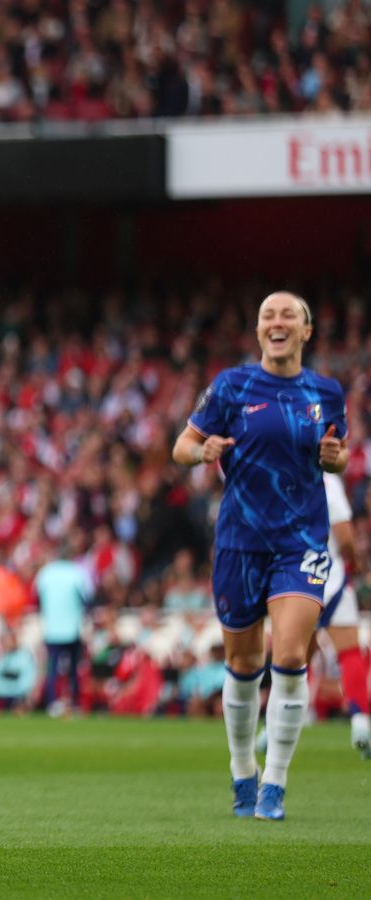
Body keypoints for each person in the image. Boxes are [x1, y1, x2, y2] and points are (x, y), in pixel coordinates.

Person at [172, 290, 348, 821]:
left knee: (291, 656)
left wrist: (334, 459)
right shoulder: (232, 385)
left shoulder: (326, 392)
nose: (277, 321)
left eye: (287, 314)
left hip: (301, 541)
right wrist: (201, 451)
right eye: (268, 315)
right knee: (243, 663)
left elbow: (334, 460)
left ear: (305, 330)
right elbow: (181, 446)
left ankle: (275, 781)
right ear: (258, 332)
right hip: (240, 542)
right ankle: (242, 767)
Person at [316, 471, 368, 756]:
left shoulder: (284, 472)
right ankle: (360, 720)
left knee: (292, 661)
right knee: (349, 651)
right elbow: (344, 535)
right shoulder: (327, 481)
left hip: (293, 577)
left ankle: (272, 733)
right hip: (330, 575)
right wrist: (355, 562)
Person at [35, 536, 95, 716]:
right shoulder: (78, 572)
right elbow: (88, 598)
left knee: (53, 667)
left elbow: (37, 597)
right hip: (72, 628)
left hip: (52, 628)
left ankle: (53, 703)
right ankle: (74, 703)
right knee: (74, 669)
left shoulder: (46, 572)